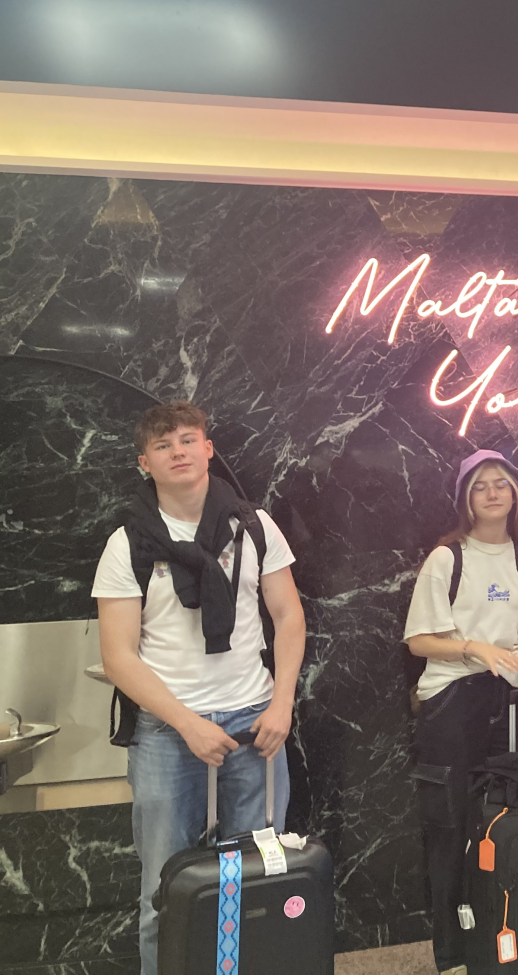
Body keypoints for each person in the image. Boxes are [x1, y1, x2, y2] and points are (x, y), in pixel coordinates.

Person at [94, 401, 305, 975]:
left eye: (188, 440)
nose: (179, 452)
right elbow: (118, 656)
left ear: (208, 449)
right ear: (145, 463)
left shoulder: (255, 527)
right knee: (166, 891)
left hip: (257, 725)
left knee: (260, 882)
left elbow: (288, 618)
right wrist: (188, 723)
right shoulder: (127, 545)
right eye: (163, 446)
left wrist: (283, 704)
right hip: (168, 734)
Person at [403, 450, 518, 975]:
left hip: (509, 699)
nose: (493, 493)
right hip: (452, 699)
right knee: (451, 825)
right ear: (466, 499)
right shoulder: (448, 559)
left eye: (502, 484)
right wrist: (474, 649)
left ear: (516, 495)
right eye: (481, 486)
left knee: (511, 817)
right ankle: (453, 953)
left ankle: (508, 938)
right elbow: (419, 641)